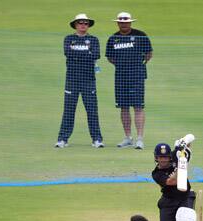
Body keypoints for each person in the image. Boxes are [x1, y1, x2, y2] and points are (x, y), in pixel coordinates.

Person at [55, 13, 104, 149]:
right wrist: (86, 54)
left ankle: (97, 139)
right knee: (69, 110)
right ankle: (62, 139)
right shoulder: (69, 39)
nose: (83, 25)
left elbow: (96, 55)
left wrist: (79, 54)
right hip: (72, 80)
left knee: (92, 110)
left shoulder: (93, 40)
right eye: (80, 23)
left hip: (88, 80)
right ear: (75, 25)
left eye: (86, 23)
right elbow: (68, 53)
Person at [106, 12, 153, 150]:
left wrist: (136, 65)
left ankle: (139, 138)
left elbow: (149, 54)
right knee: (123, 107)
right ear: (118, 23)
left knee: (138, 106)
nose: (123, 24)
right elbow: (110, 57)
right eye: (121, 22)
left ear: (130, 22)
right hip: (121, 77)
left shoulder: (140, 35)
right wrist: (122, 65)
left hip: (137, 76)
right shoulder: (113, 38)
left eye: (126, 22)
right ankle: (128, 137)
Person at [152, 143, 196, 221]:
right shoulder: (156, 174)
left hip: (185, 197)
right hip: (168, 200)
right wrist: (181, 166)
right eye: (160, 157)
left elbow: (187, 149)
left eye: (165, 157)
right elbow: (173, 181)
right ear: (156, 158)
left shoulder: (175, 156)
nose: (163, 159)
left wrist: (184, 151)